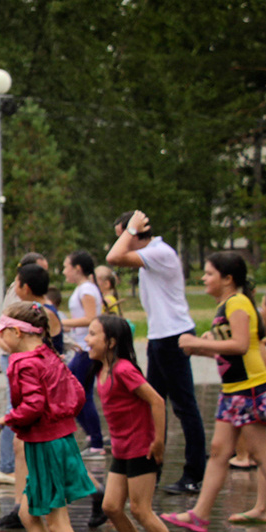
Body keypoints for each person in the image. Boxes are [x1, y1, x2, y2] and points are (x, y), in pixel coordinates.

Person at [0, 303, 94, 532]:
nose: (1, 342)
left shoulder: (23, 362)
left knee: (58, 522)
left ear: (17, 332)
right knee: (28, 511)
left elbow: (33, 404)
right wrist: (59, 416)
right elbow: (76, 392)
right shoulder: (48, 355)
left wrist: (3, 421)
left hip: (45, 444)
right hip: (55, 441)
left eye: (2, 335)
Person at [87, 315, 199, 532]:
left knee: (140, 509)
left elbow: (157, 401)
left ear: (111, 342)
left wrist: (158, 442)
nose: (87, 340)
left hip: (141, 448)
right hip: (122, 450)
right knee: (111, 506)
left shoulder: (124, 369)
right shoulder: (102, 370)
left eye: (92, 335)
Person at [162, 252, 266, 532]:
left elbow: (243, 345)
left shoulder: (237, 302)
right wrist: (201, 347)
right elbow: (228, 354)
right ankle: (199, 515)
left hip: (250, 389)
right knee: (220, 453)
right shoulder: (225, 305)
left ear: (228, 279)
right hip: (232, 391)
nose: (204, 278)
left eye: (209, 274)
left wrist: (197, 342)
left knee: (262, 454)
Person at [107, 210, 208, 495]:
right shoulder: (150, 256)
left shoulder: (160, 252)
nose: (121, 242)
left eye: (124, 235)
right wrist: (130, 231)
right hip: (159, 338)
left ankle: (194, 474)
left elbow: (113, 257)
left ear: (136, 231)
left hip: (174, 337)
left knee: (184, 407)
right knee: (154, 405)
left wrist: (130, 229)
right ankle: (152, 469)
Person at [60, 251, 106, 457]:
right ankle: (92, 436)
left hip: (87, 349)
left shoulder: (87, 289)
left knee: (79, 393)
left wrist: (61, 323)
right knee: (77, 392)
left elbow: (91, 319)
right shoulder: (84, 289)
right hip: (82, 346)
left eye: (66, 266)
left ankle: (96, 441)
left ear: (77, 268)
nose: (64, 271)